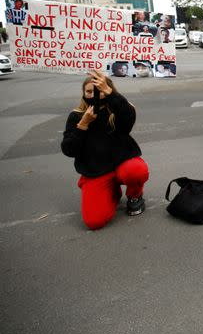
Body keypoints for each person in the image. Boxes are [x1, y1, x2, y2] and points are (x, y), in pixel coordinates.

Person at [60, 70, 149, 230]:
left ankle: (135, 196)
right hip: (96, 171)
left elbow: (128, 121)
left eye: (100, 89)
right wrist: (83, 124)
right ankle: (112, 192)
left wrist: (111, 94)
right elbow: (68, 150)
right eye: (89, 91)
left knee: (136, 170)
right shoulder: (76, 116)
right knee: (94, 222)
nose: (95, 94)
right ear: (83, 93)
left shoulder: (117, 108)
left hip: (122, 163)